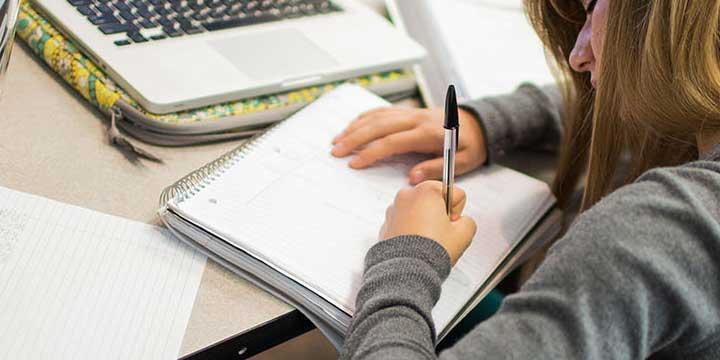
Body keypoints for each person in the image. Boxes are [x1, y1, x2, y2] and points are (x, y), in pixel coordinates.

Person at [334, 0, 720, 358]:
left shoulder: (649, 235)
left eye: (591, 8)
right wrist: (491, 123)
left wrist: (406, 258)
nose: (577, 57)